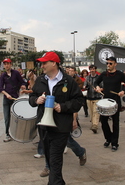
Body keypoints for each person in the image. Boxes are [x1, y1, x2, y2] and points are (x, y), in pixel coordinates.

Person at [29, 51, 83, 185]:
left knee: (55, 159)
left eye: (44, 63)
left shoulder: (68, 81)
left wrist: (62, 107)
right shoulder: (41, 80)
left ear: (54, 63)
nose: (42, 66)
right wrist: (37, 100)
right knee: (50, 159)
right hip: (44, 126)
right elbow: (31, 98)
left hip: (61, 126)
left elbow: (78, 101)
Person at [94, 57, 125, 151]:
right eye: (107, 63)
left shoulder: (120, 74)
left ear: (115, 64)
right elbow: (96, 82)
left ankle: (115, 143)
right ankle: (108, 138)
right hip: (105, 100)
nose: (108, 65)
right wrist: (97, 87)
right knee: (103, 122)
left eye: (110, 63)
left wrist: (123, 91)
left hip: (115, 100)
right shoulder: (104, 74)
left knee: (115, 123)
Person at [0, 58, 26, 142]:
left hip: (15, 98)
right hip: (6, 99)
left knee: (17, 117)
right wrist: (6, 94)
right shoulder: (3, 75)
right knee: (7, 117)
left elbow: (23, 82)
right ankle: (7, 134)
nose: (6, 65)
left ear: (11, 64)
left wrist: (23, 86)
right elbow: (0, 87)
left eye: (8, 64)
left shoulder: (16, 73)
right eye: (5, 64)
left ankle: (16, 132)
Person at [83, 65, 102, 133]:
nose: (92, 70)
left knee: (96, 112)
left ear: (95, 70)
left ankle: (95, 125)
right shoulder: (87, 78)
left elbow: (103, 87)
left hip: (97, 97)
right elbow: (85, 85)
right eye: (91, 69)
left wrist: (99, 89)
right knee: (91, 113)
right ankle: (93, 124)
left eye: (93, 69)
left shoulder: (99, 77)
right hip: (89, 97)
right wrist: (85, 87)